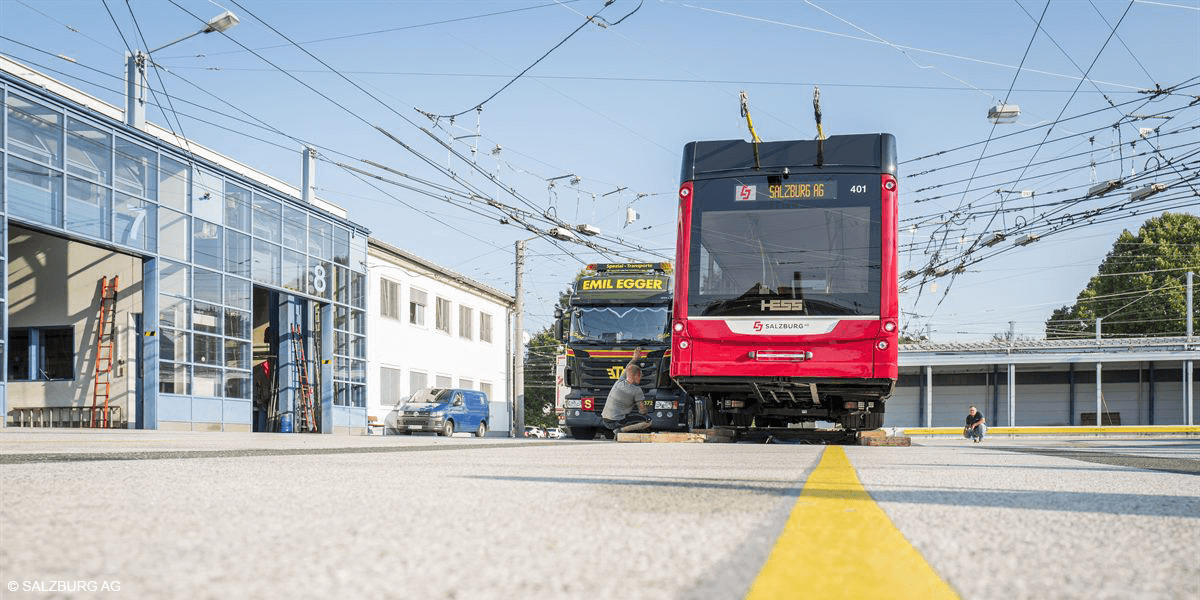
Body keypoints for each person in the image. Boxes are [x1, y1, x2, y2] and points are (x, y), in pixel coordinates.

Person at [601, 347, 651, 435]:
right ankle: (620, 431)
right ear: (635, 375)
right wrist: (647, 410)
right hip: (616, 422)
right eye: (640, 375)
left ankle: (618, 429)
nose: (641, 378)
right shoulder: (636, 390)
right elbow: (642, 411)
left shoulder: (619, 382)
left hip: (605, 420)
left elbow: (628, 368)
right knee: (647, 421)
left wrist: (634, 359)